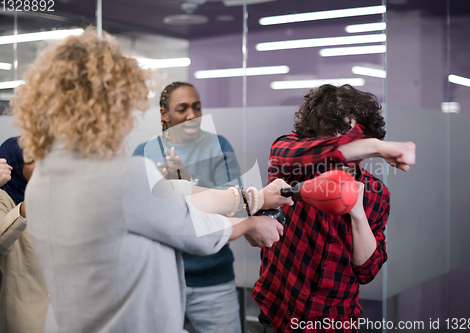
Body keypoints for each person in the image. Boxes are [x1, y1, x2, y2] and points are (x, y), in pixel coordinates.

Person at [12, 29, 291, 333]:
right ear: (108, 106)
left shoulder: (41, 181)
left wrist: (247, 198)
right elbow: (196, 229)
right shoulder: (124, 175)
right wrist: (253, 212)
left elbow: (171, 205)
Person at [251, 84, 416, 333]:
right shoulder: (292, 164)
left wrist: (357, 213)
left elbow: (367, 270)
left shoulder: (376, 193)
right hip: (280, 311)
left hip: (335, 321)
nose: (338, 142)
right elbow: (285, 154)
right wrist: (376, 147)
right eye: (329, 133)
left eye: (347, 133)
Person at [134, 82, 247, 333]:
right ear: (165, 114)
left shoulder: (218, 146)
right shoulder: (144, 153)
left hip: (213, 279)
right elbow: (139, 218)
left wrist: (187, 185)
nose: (192, 116)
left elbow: (236, 208)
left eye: (197, 108)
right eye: (182, 109)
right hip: (161, 280)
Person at [0, 137, 49, 333]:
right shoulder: (4, 197)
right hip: (26, 316)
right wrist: (29, 204)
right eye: (31, 158)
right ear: (13, 165)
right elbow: (2, 241)